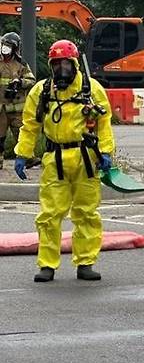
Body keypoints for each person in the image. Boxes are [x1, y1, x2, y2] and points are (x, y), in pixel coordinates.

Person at [14, 40, 115, 282]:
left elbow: (104, 123)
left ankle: (85, 262)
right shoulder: (42, 91)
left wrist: (106, 152)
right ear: (51, 65)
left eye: (65, 64)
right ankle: (47, 264)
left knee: (86, 213)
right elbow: (30, 126)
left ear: (75, 63)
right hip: (54, 159)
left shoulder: (91, 89)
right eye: (56, 64)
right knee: (49, 214)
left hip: (86, 157)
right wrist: (22, 153)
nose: (62, 69)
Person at [0, 32, 36, 169]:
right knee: (0, 138)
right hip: (1, 109)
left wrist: (19, 82)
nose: (5, 48)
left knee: (21, 134)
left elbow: (32, 80)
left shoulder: (21, 64)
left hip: (16, 109)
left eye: (8, 46)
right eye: (4, 44)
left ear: (15, 48)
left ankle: (28, 159)